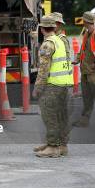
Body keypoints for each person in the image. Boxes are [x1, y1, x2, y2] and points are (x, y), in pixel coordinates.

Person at [32, 16, 74, 158]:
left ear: (42, 29)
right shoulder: (61, 40)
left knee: (50, 116)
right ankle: (61, 145)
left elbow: (43, 70)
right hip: (65, 83)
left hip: (53, 85)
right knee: (62, 116)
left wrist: (37, 88)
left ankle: (52, 147)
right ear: (54, 27)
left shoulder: (47, 44)